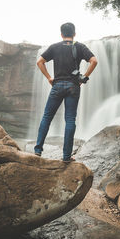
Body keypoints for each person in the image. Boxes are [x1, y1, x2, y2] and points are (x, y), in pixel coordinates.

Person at [34, 22, 98, 162]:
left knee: (47, 117)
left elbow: (40, 62)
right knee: (70, 120)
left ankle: (38, 151)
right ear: (74, 34)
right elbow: (94, 61)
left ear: (61, 34)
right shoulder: (79, 47)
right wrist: (84, 78)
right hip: (73, 87)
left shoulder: (54, 47)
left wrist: (49, 78)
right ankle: (66, 156)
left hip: (57, 85)